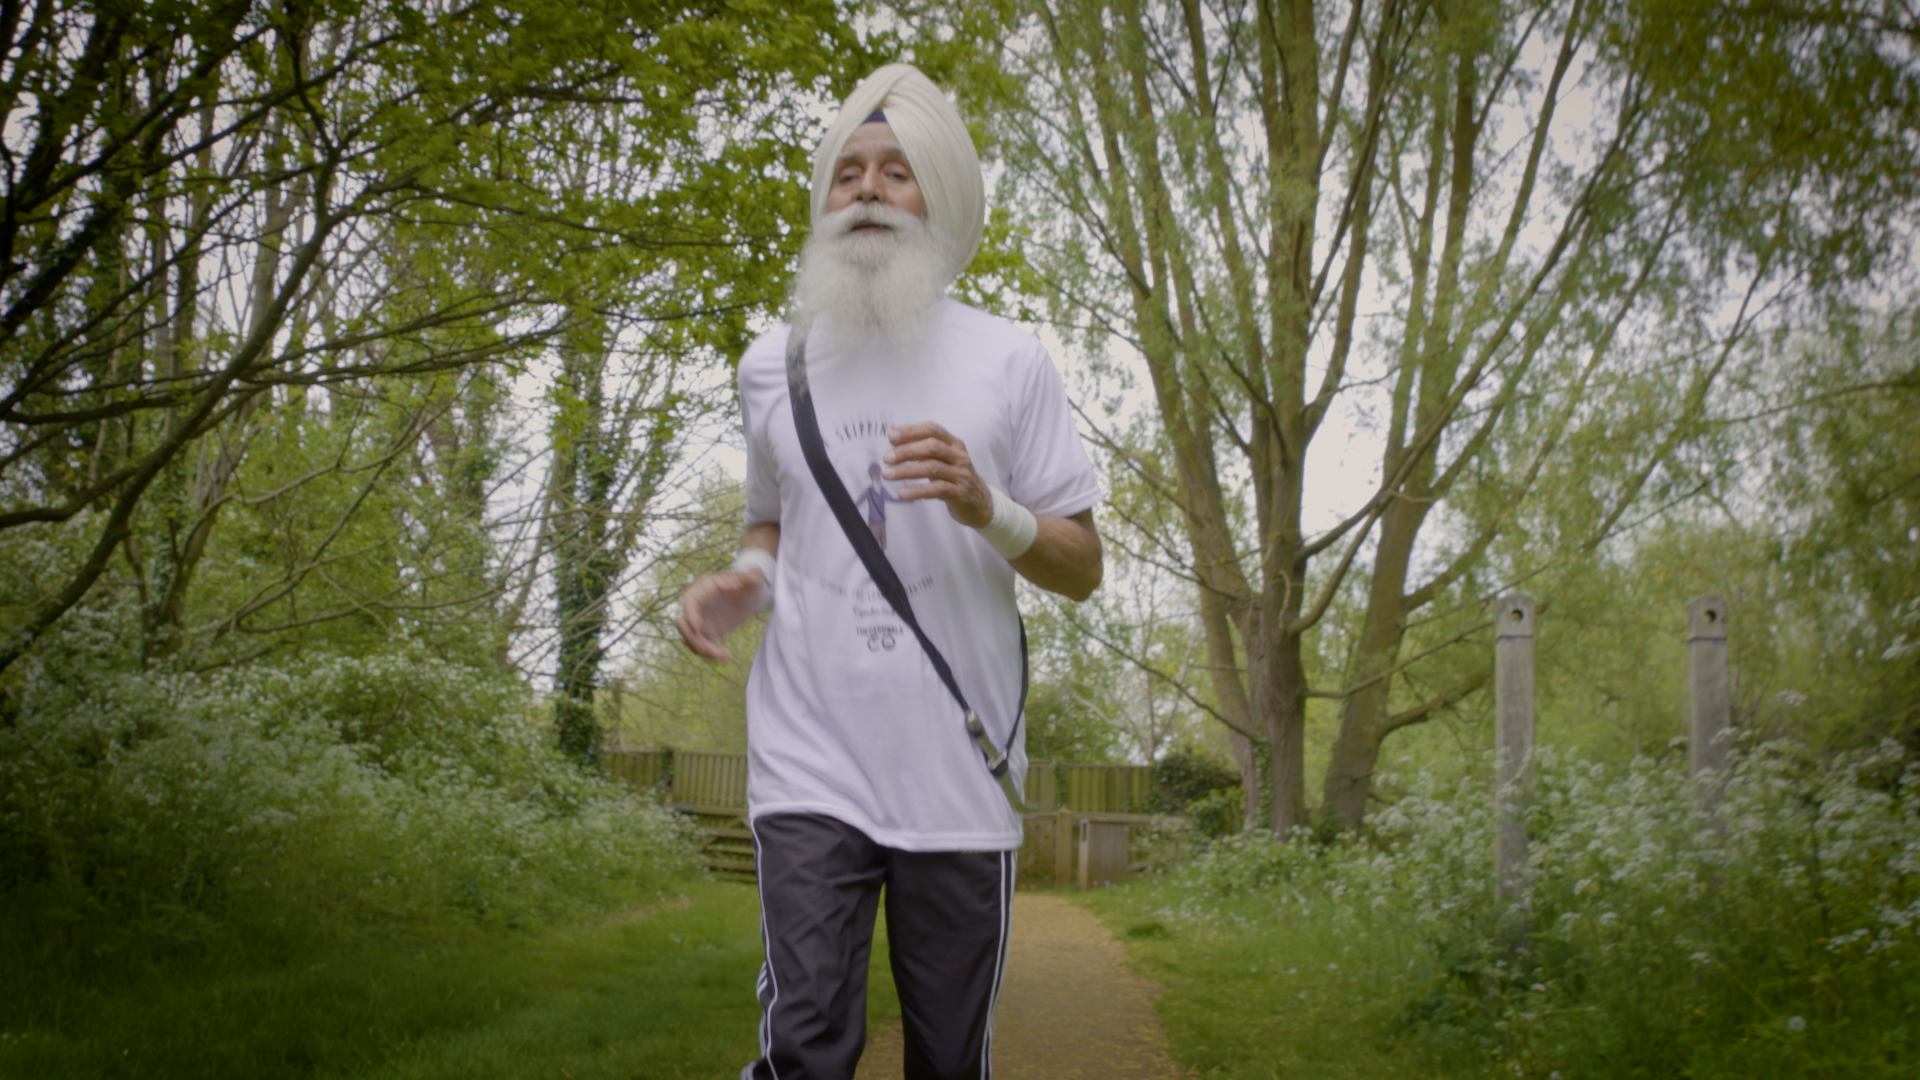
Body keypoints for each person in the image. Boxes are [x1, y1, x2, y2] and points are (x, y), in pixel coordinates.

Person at [674, 62, 1103, 1080]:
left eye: (896, 171)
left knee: (948, 1061)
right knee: (806, 1047)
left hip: (958, 766)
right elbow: (772, 522)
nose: (867, 188)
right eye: (848, 171)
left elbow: (1083, 565)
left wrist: (987, 508)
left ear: (936, 199)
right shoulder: (772, 365)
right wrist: (745, 581)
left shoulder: (1008, 360)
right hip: (809, 755)